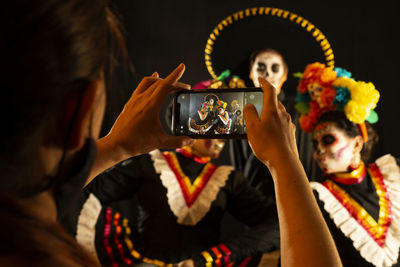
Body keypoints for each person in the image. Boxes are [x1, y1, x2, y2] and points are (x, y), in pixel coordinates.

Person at [0, 0, 342, 266]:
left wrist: (119, 145)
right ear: (78, 112)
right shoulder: (152, 166)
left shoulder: (227, 178)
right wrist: (285, 162)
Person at [64, 137, 280, 267]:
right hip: (146, 261)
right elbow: (91, 187)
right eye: (211, 126)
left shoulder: (229, 179)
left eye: (224, 133)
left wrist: (213, 257)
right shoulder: (150, 163)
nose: (219, 137)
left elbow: (275, 222)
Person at [296, 62, 400, 266]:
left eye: (328, 140)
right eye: (314, 144)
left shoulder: (392, 174)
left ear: (357, 143)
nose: (318, 152)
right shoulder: (318, 197)